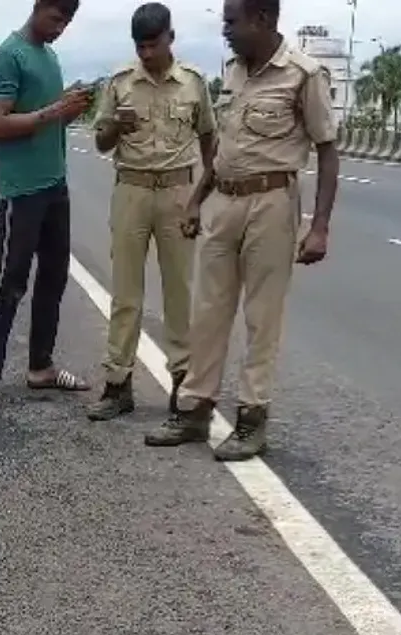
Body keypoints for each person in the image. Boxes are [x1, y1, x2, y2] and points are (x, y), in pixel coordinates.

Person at [169, 0, 339, 461]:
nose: (224, 30)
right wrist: (196, 199)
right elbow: (224, 146)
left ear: (262, 20)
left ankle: (251, 420)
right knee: (207, 311)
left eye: (231, 22)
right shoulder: (232, 71)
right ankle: (194, 411)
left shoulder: (304, 74)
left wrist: (319, 226)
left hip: (272, 203)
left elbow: (327, 150)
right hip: (223, 200)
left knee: (262, 317)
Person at [85, 2, 217, 448]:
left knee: (180, 292)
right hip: (132, 190)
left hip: (179, 192)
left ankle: (184, 385)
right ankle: (117, 385)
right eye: (140, 46)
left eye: (153, 44)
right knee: (126, 293)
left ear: (170, 38)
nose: (147, 53)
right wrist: (115, 129)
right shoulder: (121, 84)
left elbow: (209, 141)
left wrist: (200, 198)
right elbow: (101, 143)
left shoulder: (194, 84)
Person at [0, 0, 92, 411]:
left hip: (54, 186)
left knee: (54, 278)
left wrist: (69, 112)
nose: (60, 28)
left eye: (68, 22)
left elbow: (46, 120)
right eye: (56, 18)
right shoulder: (8, 56)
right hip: (21, 191)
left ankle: (41, 367)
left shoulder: (50, 55)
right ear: (38, 7)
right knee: (11, 281)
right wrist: (55, 110)